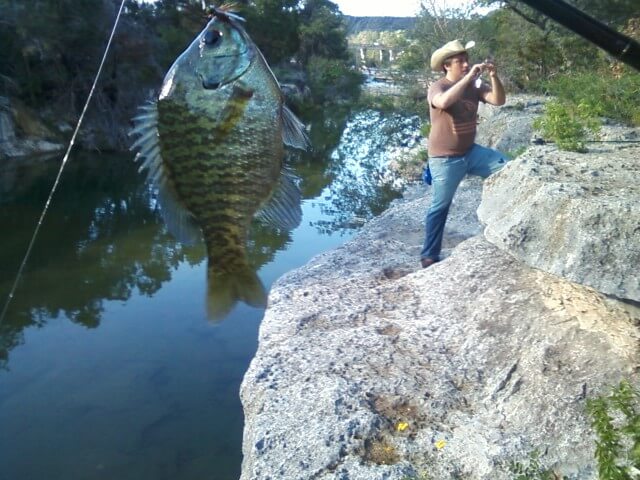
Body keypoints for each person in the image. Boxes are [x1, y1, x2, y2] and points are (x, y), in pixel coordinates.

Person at [420, 39, 508, 268]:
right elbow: (444, 101)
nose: (466, 64)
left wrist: (493, 76)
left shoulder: (474, 86)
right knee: (440, 205)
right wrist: (469, 78)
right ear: (446, 66)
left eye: (466, 60)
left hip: (471, 153)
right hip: (444, 159)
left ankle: (504, 229)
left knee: (509, 169)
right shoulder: (438, 86)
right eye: (460, 61)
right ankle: (429, 255)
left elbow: (498, 100)